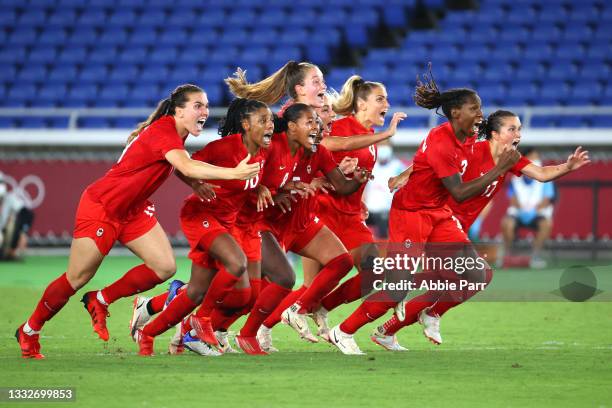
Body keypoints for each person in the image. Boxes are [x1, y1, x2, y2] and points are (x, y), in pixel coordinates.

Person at [15, 85, 260, 359]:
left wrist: (194, 184)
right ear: (178, 111)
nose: (205, 111)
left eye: (205, 106)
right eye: (198, 106)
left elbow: (183, 166)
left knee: (164, 267)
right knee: (78, 277)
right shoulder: (163, 131)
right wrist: (234, 173)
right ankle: (29, 330)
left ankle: (101, 299)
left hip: (133, 211)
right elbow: (187, 165)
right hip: (103, 206)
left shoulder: (173, 135)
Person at [328, 69, 522, 355]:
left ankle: (429, 312)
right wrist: (500, 169)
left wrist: (408, 172)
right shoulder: (443, 141)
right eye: (474, 108)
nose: (480, 114)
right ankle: (342, 331)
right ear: (456, 113)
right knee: (398, 285)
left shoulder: (466, 136)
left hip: (437, 212)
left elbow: (428, 164)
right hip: (411, 213)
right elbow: (459, 191)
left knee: (478, 274)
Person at [373, 110, 590, 351]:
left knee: (448, 284)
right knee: (469, 278)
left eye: (519, 129)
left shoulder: (511, 159)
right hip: (439, 222)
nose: (518, 134)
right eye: (512, 129)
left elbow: (541, 173)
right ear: (495, 134)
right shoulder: (473, 151)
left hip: (457, 226)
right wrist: (403, 175)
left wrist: (568, 166)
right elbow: (434, 160)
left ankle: (389, 328)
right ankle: (420, 316)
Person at [133, 98, 273, 356]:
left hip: (225, 222)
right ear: (245, 124)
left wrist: (261, 187)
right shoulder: (224, 148)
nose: (270, 126)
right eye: (263, 121)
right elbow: (182, 165)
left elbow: (249, 184)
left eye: (271, 121)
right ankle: (203, 319)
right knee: (236, 262)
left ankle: (147, 333)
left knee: (196, 291)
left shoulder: (264, 154)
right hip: (201, 215)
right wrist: (196, 184)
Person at [501, 147, 558, 268]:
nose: (536, 160)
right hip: (519, 213)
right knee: (507, 223)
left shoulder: (546, 177)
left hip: (537, 213)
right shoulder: (515, 178)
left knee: (546, 224)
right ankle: (507, 256)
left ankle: (535, 256)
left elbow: (547, 199)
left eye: (537, 157)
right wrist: (522, 209)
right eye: (533, 157)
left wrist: (533, 210)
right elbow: (512, 198)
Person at [364, 141, 406, 239]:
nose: (383, 150)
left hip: (387, 210)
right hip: (369, 209)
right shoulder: (370, 166)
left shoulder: (398, 166)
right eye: (381, 146)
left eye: (385, 146)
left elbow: (405, 186)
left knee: (383, 236)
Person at [0, 173, 35, 260]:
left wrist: (24, 232)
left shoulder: (9, 199)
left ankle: (11, 250)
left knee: (12, 222)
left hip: (3, 236)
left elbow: (27, 214)